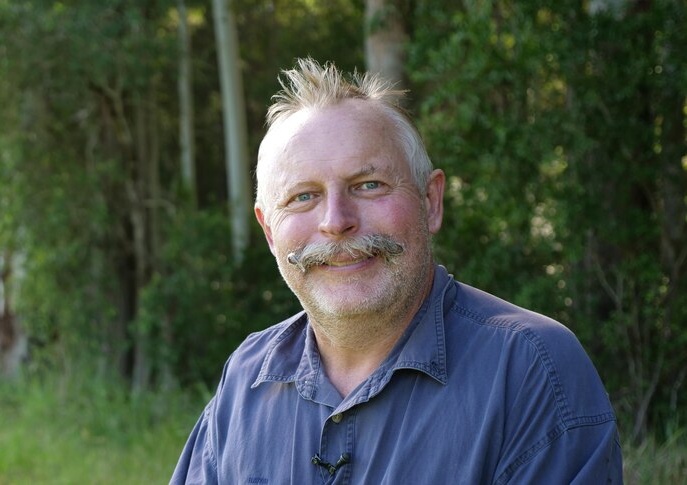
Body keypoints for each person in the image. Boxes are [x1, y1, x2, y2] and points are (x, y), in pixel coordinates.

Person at [171, 58, 622, 484]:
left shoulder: (531, 369)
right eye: (303, 196)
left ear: (431, 201)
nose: (336, 220)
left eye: (369, 185)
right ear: (269, 231)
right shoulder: (246, 379)